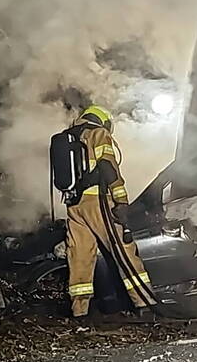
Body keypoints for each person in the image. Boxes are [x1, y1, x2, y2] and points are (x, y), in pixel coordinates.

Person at [64, 105, 152, 317]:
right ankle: (145, 304)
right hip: (98, 201)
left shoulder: (69, 138)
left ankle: (80, 312)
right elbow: (108, 167)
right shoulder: (98, 134)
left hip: (74, 206)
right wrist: (121, 200)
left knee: (79, 256)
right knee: (123, 250)